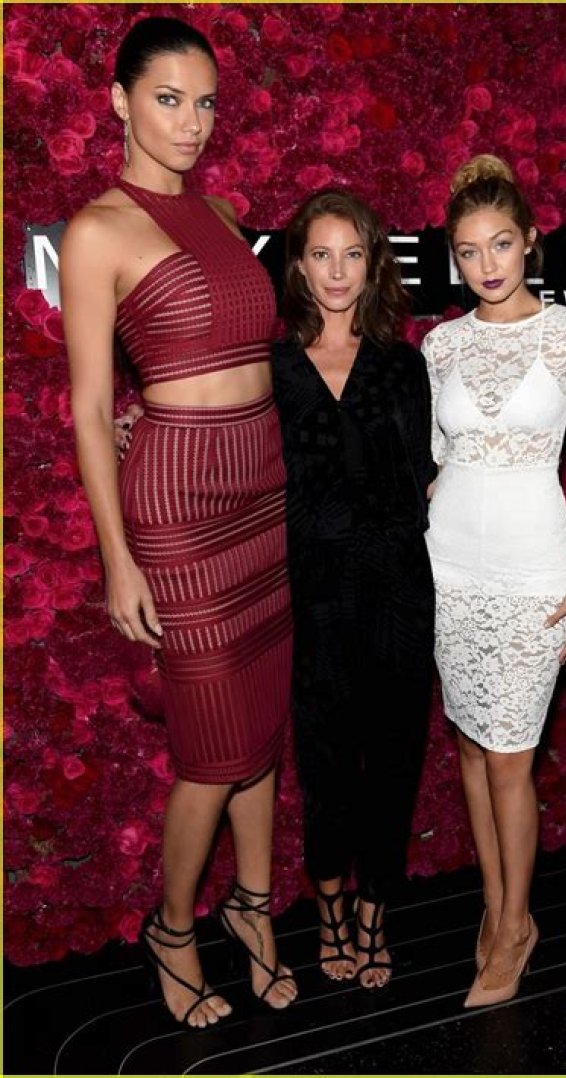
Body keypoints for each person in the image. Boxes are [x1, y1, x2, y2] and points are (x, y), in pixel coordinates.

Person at [60, 16, 298, 1029]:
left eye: (204, 103)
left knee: (261, 728)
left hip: (262, 493)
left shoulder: (224, 211)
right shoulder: (96, 232)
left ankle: (251, 908)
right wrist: (118, 560)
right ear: (119, 101)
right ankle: (171, 927)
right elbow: (88, 404)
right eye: (168, 99)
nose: (191, 123)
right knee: (212, 749)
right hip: (179, 512)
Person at [421, 155, 566, 1007]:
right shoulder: (440, 344)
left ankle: (515, 928)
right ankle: (496, 907)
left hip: (535, 572)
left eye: (500, 244)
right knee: (470, 745)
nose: (486, 264)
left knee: (509, 756)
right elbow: (436, 462)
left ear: (530, 241)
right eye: (469, 251)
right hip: (448, 567)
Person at [272, 190, 436, 988]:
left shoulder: (403, 364)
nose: (337, 272)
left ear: (373, 266)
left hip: (398, 588)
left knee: (395, 758)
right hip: (314, 596)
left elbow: (428, 475)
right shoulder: (273, 369)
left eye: (352, 254)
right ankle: (330, 905)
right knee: (326, 761)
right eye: (321, 254)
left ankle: (374, 908)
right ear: (300, 267)